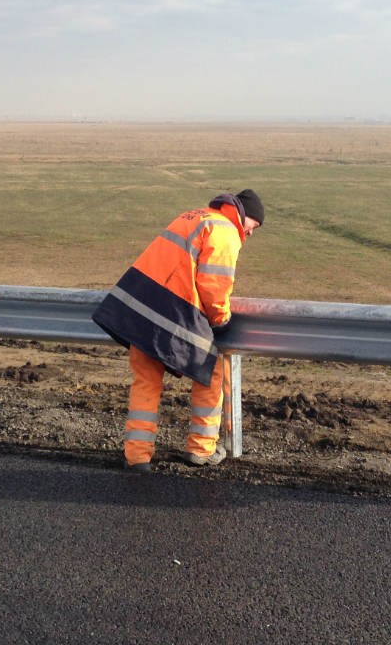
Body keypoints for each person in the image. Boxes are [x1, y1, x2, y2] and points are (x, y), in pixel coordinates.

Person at [92, 190, 264, 473]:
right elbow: (214, 285)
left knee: (145, 383)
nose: (251, 233)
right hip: (174, 312)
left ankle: (137, 458)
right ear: (243, 215)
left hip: (141, 309)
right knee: (210, 372)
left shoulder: (194, 216)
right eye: (253, 226)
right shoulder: (225, 230)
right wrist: (221, 321)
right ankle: (201, 449)